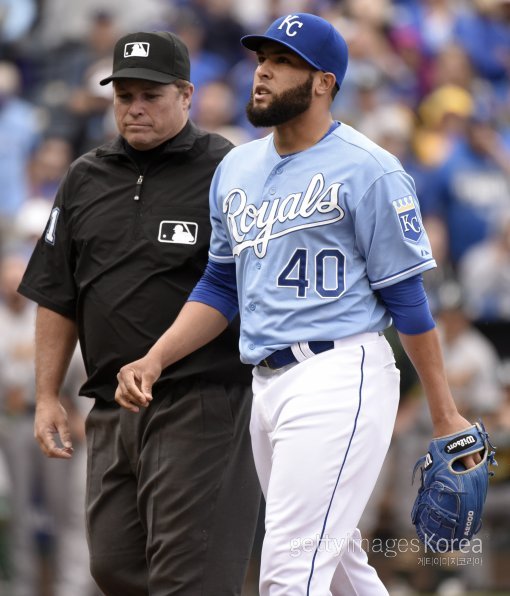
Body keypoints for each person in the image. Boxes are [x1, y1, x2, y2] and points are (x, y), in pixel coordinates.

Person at [115, 14, 479, 596]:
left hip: (341, 374)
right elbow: (220, 286)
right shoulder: (236, 167)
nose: (262, 72)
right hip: (267, 384)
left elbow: (406, 298)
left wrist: (443, 410)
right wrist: (154, 359)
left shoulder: (371, 169)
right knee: (338, 570)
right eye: (262, 59)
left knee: (289, 573)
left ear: (323, 83)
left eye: (283, 62)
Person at [17, 30, 260, 596]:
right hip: (110, 407)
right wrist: (48, 395)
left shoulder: (229, 171)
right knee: (114, 567)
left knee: (187, 578)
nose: (136, 108)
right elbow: (57, 292)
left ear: (187, 95)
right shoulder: (84, 176)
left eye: (150, 95)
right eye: (125, 95)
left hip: (200, 399)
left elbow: (238, 290)